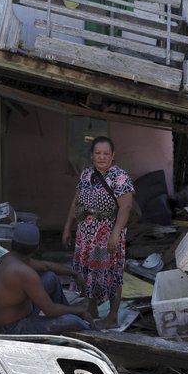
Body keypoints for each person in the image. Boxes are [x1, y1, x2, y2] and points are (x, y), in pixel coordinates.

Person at [62, 136, 134, 329]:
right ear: (92, 155)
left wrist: (115, 234)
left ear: (113, 156)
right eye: (98, 153)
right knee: (89, 271)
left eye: (106, 154)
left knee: (112, 273)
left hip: (107, 234)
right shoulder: (86, 174)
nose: (102, 157)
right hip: (85, 234)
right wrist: (67, 226)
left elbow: (126, 207)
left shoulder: (119, 176)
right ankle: (92, 308)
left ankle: (112, 316)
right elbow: (76, 202)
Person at [0, 222, 92, 334]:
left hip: (20, 313)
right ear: (36, 248)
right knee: (74, 321)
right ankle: (86, 328)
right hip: (11, 328)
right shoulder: (25, 272)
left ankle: (70, 313)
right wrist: (79, 311)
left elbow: (45, 266)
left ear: (13, 243)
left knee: (50, 278)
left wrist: (73, 273)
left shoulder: (9, 258)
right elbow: (50, 310)